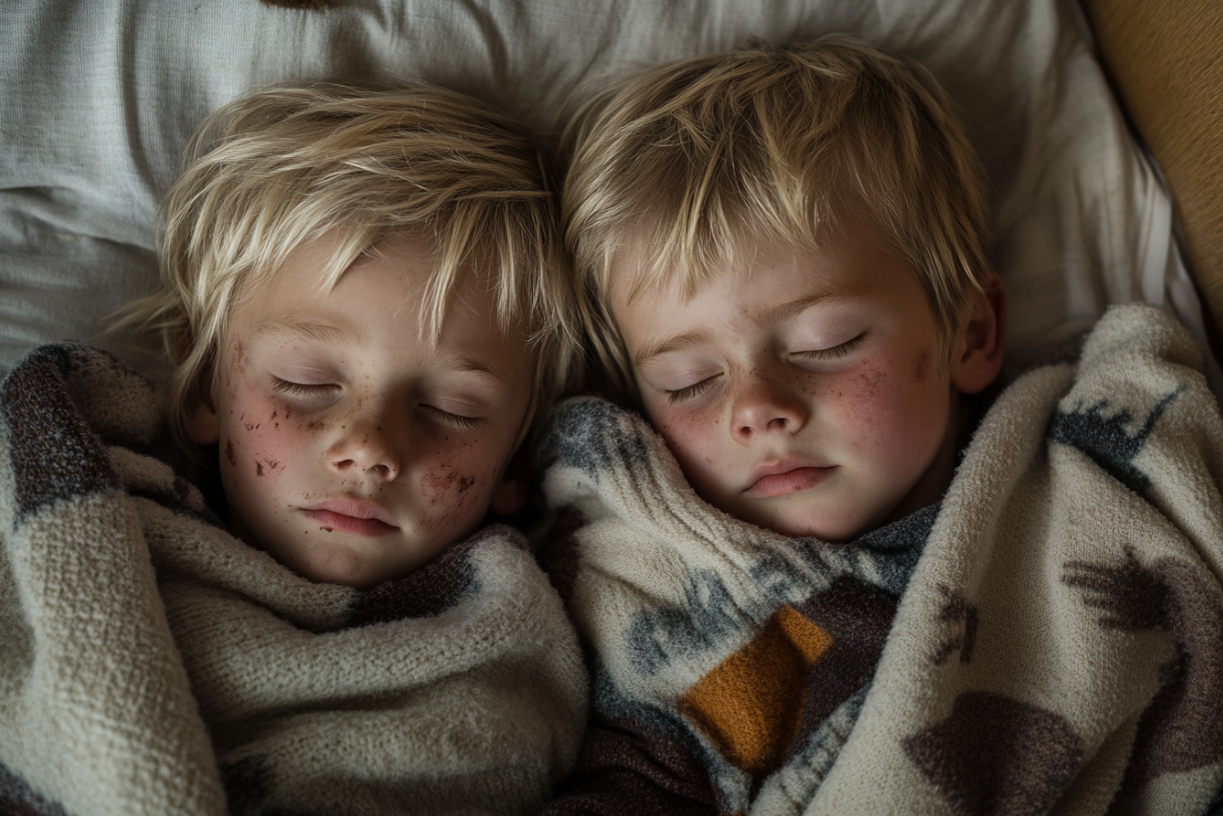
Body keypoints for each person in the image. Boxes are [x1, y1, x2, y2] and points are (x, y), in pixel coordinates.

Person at [534, 37, 1223, 815]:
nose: (755, 408)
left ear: (968, 335)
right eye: (686, 382)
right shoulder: (653, 585)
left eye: (825, 343)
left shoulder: (1091, 474)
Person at [0, 83, 586, 816]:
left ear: (518, 460)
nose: (369, 448)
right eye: (307, 382)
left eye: (449, 409)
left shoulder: (524, 651)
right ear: (207, 386)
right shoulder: (103, 515)